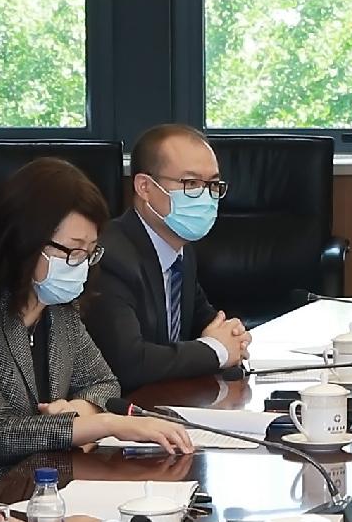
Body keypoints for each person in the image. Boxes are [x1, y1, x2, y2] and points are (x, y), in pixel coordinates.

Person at [0, 158, 195, 493]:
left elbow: (103, 382)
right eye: (72, 251)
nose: (81, 265)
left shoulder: (57, 309)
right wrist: (102, 424)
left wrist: (77, 409)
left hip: (40, 485)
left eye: (90, 253)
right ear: (23, 242)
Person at [83, 123, 253, 392]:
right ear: (145, 187)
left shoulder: (180, 250)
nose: (206, 197)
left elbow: (208, 323)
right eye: (191, 183)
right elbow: (128, 363)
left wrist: (232, 337)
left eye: (213, 185)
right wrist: (217, 350)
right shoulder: (110, 257)